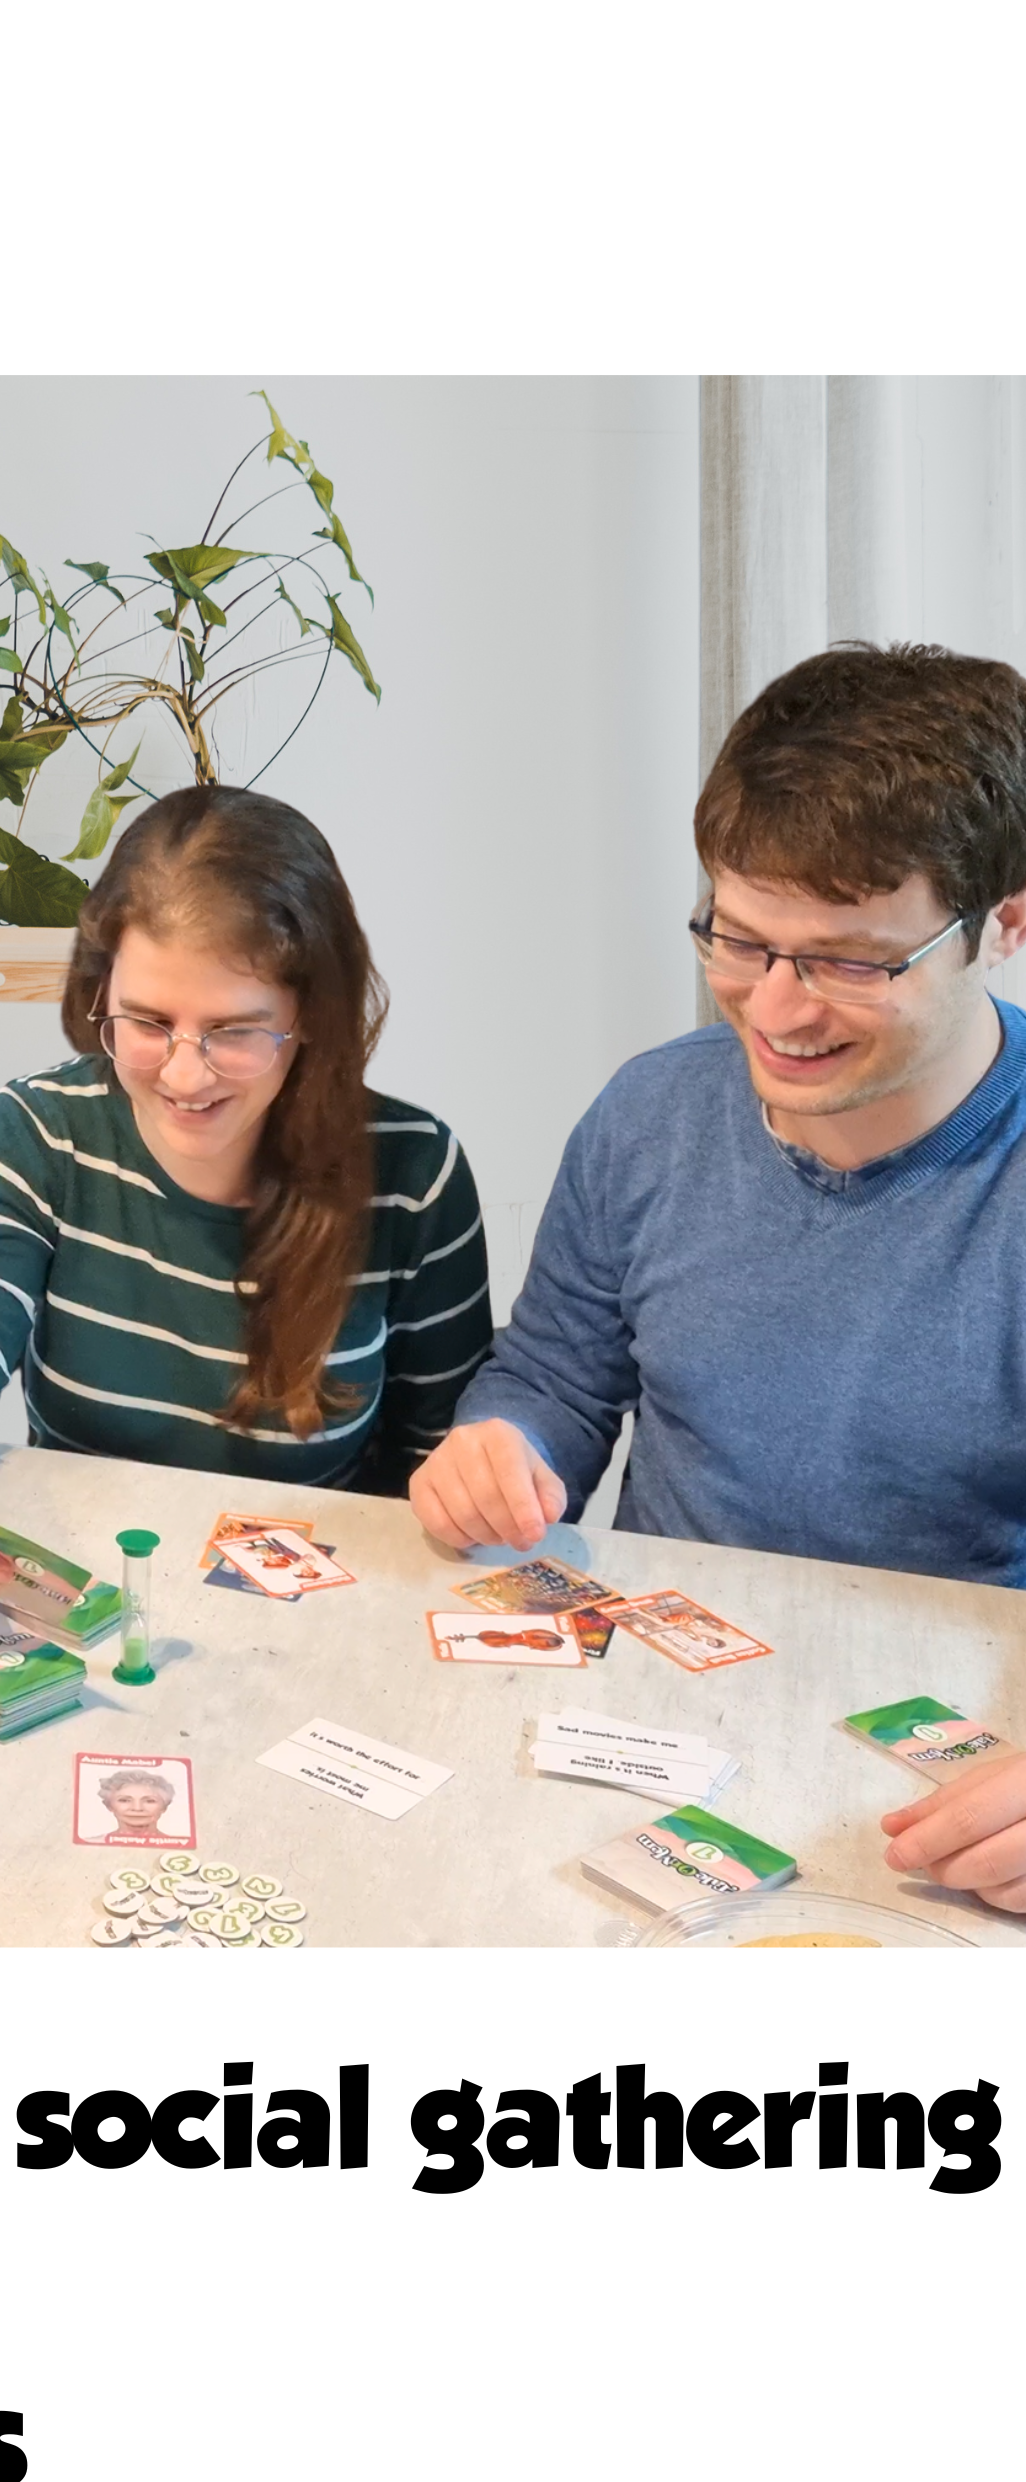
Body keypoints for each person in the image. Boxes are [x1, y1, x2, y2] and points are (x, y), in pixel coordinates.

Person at [408, 639, 1026, 1911]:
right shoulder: (648, 1111)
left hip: (944, 1784)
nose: (775, 1011)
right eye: (738, 941)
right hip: (648, 1723)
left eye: (850, 961)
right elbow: (555, 1373)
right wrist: (502, 1441)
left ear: (1002, 925)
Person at [0, 785, 492, 1607]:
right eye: (147, 1022)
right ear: (100, 993)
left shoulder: (414, 1174)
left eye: (235, 1031)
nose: (185, 1076)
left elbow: (440, 1467)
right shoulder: (37, 1134)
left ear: (310, 1015)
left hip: (321, 1617)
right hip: (91, 1605)